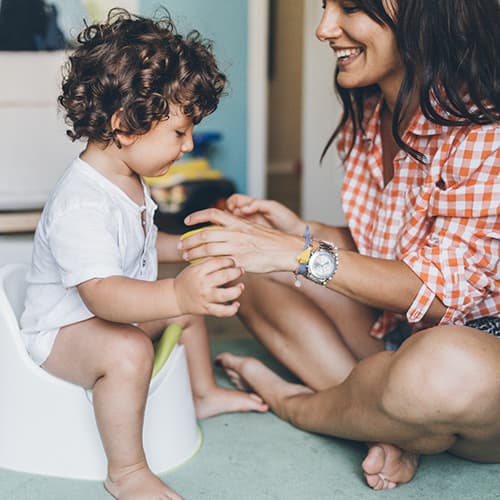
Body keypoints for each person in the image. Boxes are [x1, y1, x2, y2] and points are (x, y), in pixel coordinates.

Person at [178, 0, 500, 491]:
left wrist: (296, 253)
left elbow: (438, 294)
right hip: (398, 333)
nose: (325, 29)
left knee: (444, 368)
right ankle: (392, 426)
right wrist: (302, 233)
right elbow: (398, 246)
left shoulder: (484, 129)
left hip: (476, 356)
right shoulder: (371, 112)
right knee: (239, 272)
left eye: (350, 8)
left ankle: (296, 403)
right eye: (325, 7)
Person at [20, 9, 267, 500]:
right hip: (62, 331)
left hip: (101, 314)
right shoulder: (82, 201)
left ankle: (201, 393)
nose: (189, 144)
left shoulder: (128, 179)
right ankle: (127, 471)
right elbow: (104, 296)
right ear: (124, 125)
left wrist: (188, 249)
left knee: (186, 316)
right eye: (179, 133)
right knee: (130, 349)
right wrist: (177, 291)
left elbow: (138, 244)